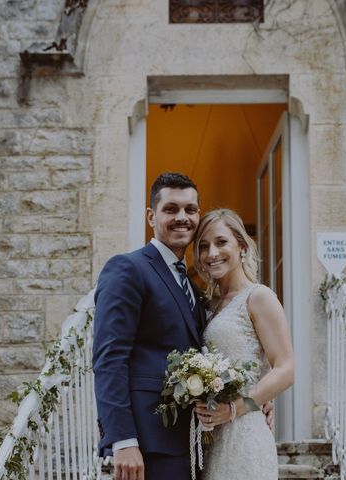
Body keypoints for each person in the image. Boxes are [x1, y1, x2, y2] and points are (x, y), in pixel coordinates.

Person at [92, 172, 205, 480]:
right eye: (171, 209)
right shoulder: (128, 268)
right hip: (146, 443)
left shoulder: (193, 289)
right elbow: (109, 358)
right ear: (151, 216)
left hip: (189, 442)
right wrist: (123, 440)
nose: (182, 217)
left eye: (190, 209)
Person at [193, 208, 295, 480]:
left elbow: (285, 369)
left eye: (221, 242)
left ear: (241, 245)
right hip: (214, 437)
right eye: (204, 246)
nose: (212, 253)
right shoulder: (211, 306)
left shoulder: (258, 297)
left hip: (244, 435)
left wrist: (236, 408)